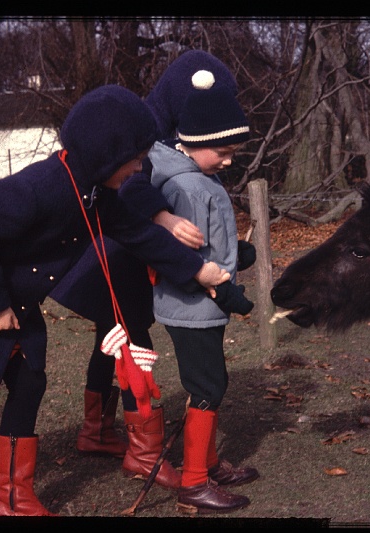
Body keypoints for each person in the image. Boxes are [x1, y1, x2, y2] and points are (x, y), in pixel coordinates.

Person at [0, 84, 230, 517]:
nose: (140, 167)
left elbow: (140, 234)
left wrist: (199, 270)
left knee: (29, 379)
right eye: (135, 157)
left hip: (9, 296)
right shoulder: (37, 188)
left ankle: (10, 498)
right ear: (105, 153)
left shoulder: (96, 192)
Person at [50, 50, 249, 492]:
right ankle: (140, 452)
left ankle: (97, 431)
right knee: (127, 337)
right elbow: (134, 182)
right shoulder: (149, 136)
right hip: (119, 250)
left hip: (126, 248)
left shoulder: (177, 139)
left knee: (115, 334)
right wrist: (163, 217)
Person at [145, 69, 259, 514]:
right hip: (192, 306)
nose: (228, 160)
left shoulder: (198, 175)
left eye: (233, 152)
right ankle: (194, 481)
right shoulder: (188, 185)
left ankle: (209, 462)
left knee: (213, 381)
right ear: (191, 141)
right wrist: (227, 292)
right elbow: (183, 259)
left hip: (202, 306)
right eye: (223, 151)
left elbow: (208, 241)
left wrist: (238, 253)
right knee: (207, 385)